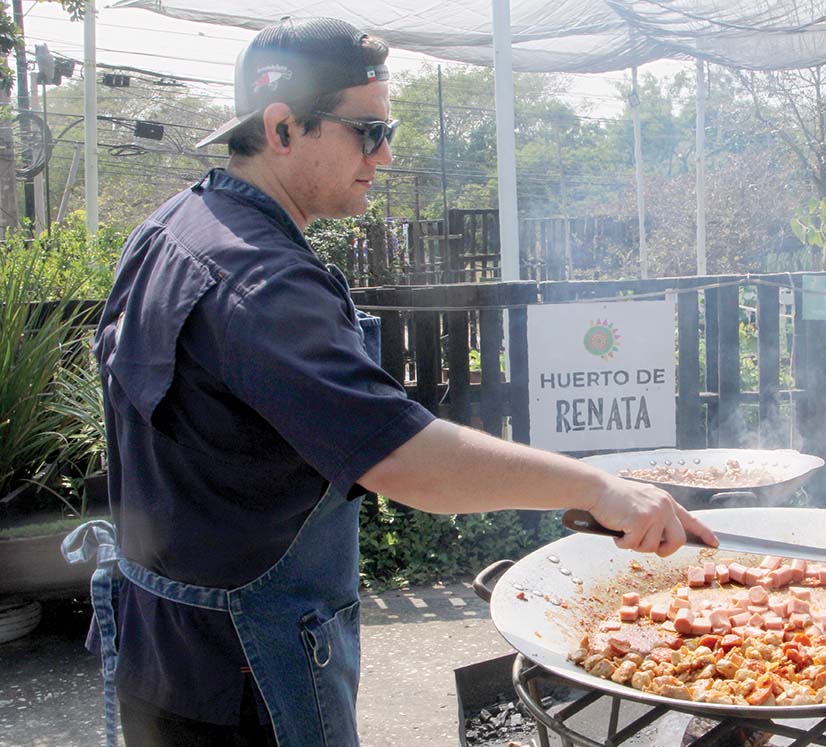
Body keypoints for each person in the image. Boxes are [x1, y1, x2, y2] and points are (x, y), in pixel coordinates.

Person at [65, 17, 716, 747]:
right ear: (282, 129)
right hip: (247, 672)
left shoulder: (173, 227)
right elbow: (407, 461)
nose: (387, 153)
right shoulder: (261, 284)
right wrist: (598, 489)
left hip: (161, 650)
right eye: (368, 130)